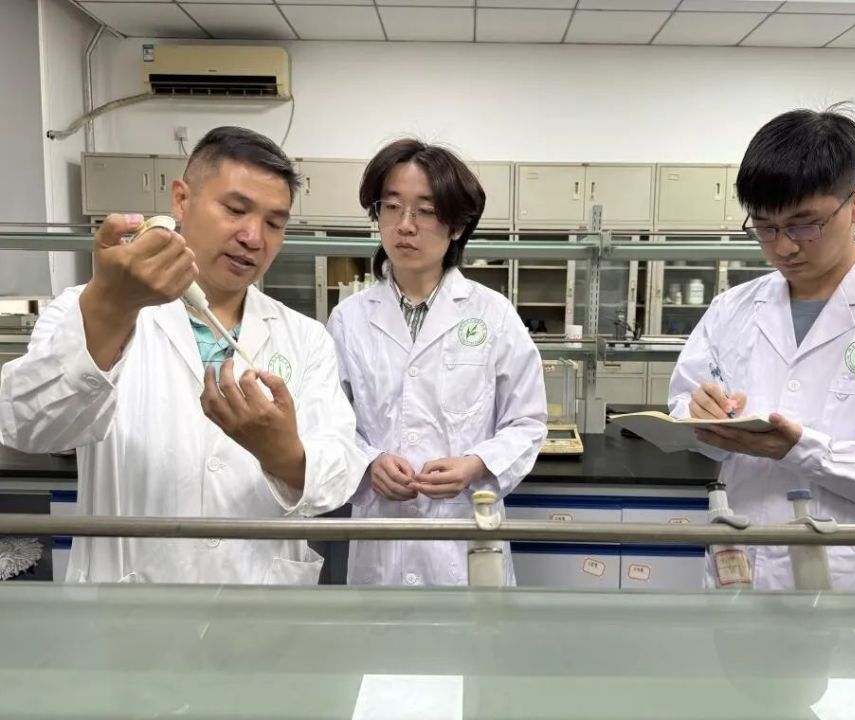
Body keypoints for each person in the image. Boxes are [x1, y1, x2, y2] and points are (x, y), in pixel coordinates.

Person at [0, 126, 367, 584]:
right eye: (235, 209)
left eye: (275, 223)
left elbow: (338, 471)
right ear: (181, 200)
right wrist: (111, 310)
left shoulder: (305, 338)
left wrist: (284, 454)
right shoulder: (88, 308)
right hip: (129, 608)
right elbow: (28, 428)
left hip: (258, 602)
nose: (253, 237)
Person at [668, 106, 855, 591]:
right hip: (741, 573)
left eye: (804, 224)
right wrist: (698, 413)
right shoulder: (731, 309)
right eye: (765, 227)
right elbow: (684, 402)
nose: (783, 247)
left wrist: (806, 451)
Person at [327, 139, 547, 586]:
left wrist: (476, 464)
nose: (405, 225)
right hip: (381, 538)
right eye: (391, 207)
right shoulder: (348, 319)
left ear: (458, 225)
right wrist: (369, 462)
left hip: (463, 538)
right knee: (381, 632)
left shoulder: (494, 315)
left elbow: (526, 422)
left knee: (467, 628)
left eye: (425, 211)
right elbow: (329, 422)